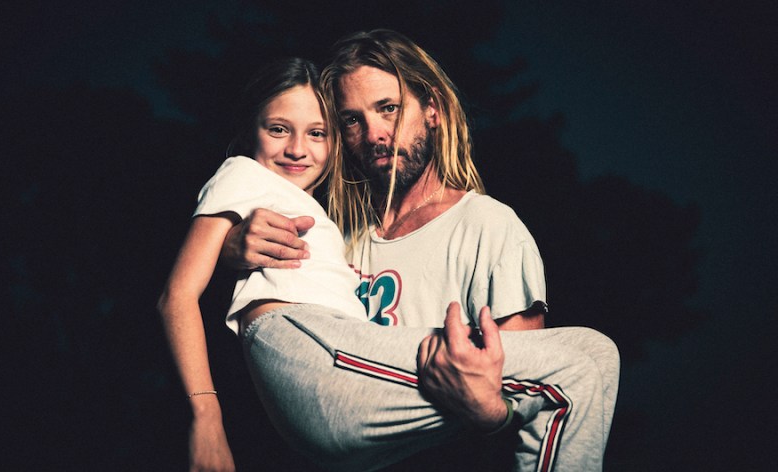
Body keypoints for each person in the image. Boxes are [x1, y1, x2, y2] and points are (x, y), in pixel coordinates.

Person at [221, 30, 620, 471]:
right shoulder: (331, 231)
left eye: (388, 108)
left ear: (433, 109)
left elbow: (528, 396)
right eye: (352, 120)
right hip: (336, 435)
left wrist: (490, 415)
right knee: (581, 366)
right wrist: (229, 246)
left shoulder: (488, 226)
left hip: (438, 456)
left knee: (596, 354)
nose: (374, 134)